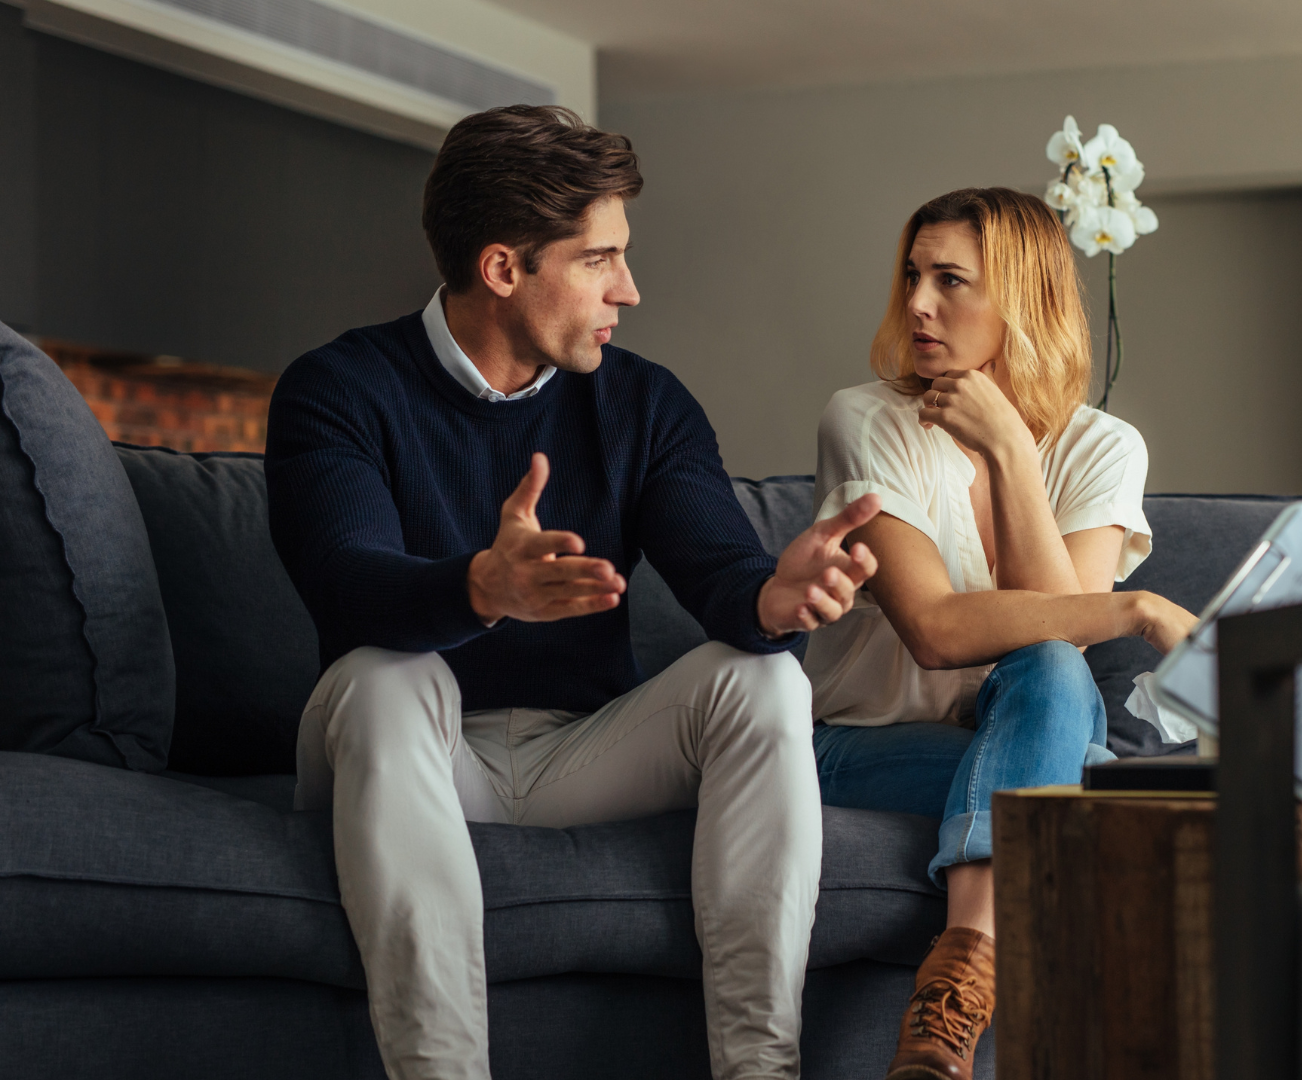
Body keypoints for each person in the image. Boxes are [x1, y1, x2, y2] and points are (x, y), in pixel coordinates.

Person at [266, 105, 882, 1080]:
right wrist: (482, 586)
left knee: (766, 681)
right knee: (387, 675)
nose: (628, 289)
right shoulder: (337, 389)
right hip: (414, 750)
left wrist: (773, 600)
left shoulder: (643, 402)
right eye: (599, 259)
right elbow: (346, 584)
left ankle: (761, 1072)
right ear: (503, 268)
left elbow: (720, 570)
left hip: (585, 752)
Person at [803, 187, 1197, 1080]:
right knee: (1089, 786)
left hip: (1021, 730)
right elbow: (935, 630)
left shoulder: (1104, 447)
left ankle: (950, 1001)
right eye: (913, 276)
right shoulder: (863, 419)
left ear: (1022, 299)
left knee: (1053, 675)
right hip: (860, 745)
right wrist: (1136, 607)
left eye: (949, 280)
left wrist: (1012, 451)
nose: (917, 304)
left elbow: (1060, 646)